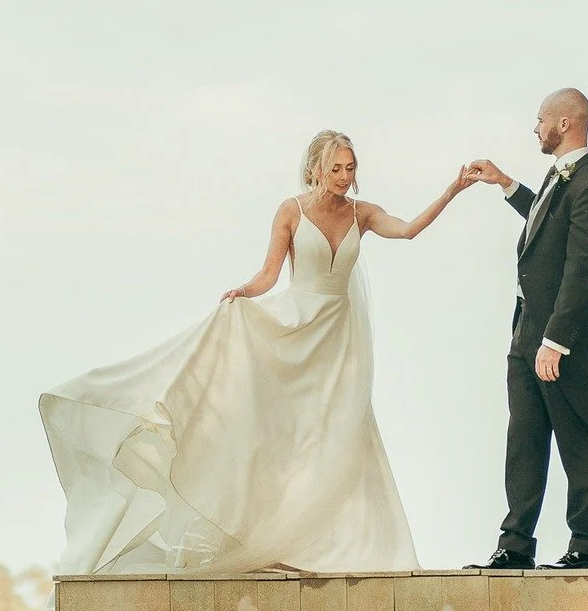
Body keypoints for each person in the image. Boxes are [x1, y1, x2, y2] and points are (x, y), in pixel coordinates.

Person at [40, 131, 475, 575]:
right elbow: (269, 274)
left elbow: (407, 230)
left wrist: (452, 191)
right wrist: (244, 293)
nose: (344, 177)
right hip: (295, 327)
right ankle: (274, 534)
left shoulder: (362, 214)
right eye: (336, 168)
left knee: (340, 432)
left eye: (350, 168)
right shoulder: (291, 210)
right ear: (316, 169)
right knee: (282, 433)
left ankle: (335, 546)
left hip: (338, 340)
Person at [463, 89, 588, 570]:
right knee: (525, 440)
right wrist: (505, 183)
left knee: (576, 439)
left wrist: (554, 342)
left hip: (559, 341)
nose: (534, 128)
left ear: (563, 123)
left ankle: (584, 546)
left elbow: (585, 270)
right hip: (525, 334)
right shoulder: (561, 181)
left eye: (540, 120)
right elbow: (545, 220)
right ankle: (515, 545)